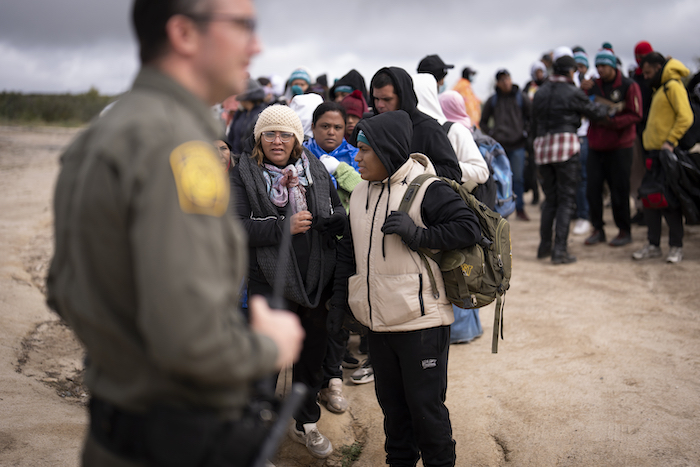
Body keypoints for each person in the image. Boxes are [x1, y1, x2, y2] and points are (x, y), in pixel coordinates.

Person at [46, 1, 305, 466]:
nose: (256, 43)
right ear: (184, 34)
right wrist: (269, 346)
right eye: (243, 26)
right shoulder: (177, 146)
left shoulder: (102, 136)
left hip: (117, 431)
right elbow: (191, 338)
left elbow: (64, 290)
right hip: (180, 441)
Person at [332, 110, 481, 467]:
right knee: (394, 415)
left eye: (365, 150)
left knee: (426, 414)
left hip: (421, 324)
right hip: (378, 325)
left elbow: (469, 228)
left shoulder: (428, 188)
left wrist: (418, 234)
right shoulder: (360, 193)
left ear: (387, 150)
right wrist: (339, 305)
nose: (357, 157)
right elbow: (350, 254)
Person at [230, 104, 346, 459]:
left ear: (297, 138)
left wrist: (335, 221)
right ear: (258, 138)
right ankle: (257, 435)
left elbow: (337, 208)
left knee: (311, 355)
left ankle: (305, 422)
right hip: (269, 280)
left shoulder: (314, 169)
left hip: (315, 281)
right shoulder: (243, 174)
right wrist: (283, 227)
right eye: (269, 133)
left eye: (284, 134)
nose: (276, 141)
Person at [531, 55, 609, 264]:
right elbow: (595, 113)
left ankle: (544, 247)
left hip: (542, 148)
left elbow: (532, 123)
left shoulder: (540, 92)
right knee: (566, 199)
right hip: (565, 146)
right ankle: (560, 252)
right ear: (569, 71)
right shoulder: (572, 92)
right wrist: (607, 108)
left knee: (551, 199)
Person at [633, 52, 693, 264]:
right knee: (650, 200)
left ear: (658, 67)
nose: (646, 76)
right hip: (653, 154)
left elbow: (686, 117)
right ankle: (653, 244)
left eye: (648, 71)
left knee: (669, 201)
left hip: (666, 155)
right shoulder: (659, 89)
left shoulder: (673, 86)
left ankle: (676, 247)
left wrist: (670, 142)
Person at [584, 48, 643, 247]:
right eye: (598, 65)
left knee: (620, 189)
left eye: (604, 66)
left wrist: (613, 122)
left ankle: (624, 230)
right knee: (593, 189)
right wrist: (583, 90)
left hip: (620, 145)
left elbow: (636, 114)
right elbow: (583, 106)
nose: (600, 69)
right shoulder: (592, 85)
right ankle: (597, 229)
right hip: (596, 145)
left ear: (613, 65)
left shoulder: (628, 85)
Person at [370, 66, 462, 182]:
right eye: (376, 99)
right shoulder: (373, 127)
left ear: (403, 97)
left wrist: (416, 172)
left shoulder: (428, 129)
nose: (380, 105)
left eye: (387, 99)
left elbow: (453, 172)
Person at [480, 68, 533, 220]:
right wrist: (492, 134)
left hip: (518, 145)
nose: (506, 82)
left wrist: (525, 132)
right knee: (501, 179)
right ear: (498, 82)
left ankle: (520, 209)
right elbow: (483, 121)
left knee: (518, 179)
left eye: (507, 78)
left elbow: (531, 117)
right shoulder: (493, 100)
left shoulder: (521, 97)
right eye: (502, 79)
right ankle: (503, 211)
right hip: (499, 147)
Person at [571, 48, 599, 236]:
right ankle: (581, 213)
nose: (580, 70)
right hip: (574, 135)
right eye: (577, 66)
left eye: (583, 66)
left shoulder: (594, 84)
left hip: (588, 136)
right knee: (578, 178)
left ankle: (586, 215)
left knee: (586, 178)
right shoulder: (571, 86)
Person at [227, 78, 267, 155]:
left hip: (251, 160)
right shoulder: (240, 113)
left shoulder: (262, 114)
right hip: (235, 158)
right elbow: (231, 137)